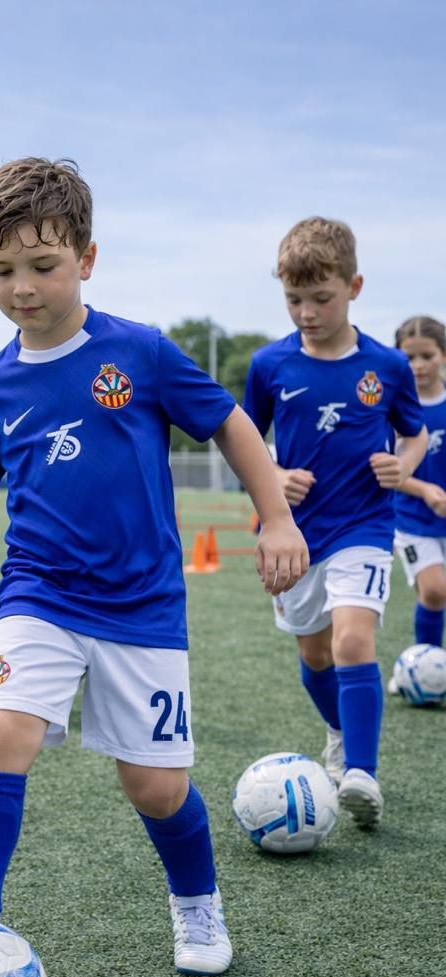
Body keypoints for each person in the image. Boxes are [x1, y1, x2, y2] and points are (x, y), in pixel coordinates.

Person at [0, 157, 308, 977]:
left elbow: (232, 424)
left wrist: (275, 516)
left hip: (143, 606)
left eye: (43, 265)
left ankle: (196, 903)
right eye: (1, 270)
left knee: (155, 789)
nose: (22, 287)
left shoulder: (141, 351)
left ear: (87, 258)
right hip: (39, 594)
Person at [243, 218, 428, 828]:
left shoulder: (388, 365)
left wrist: (403, 466)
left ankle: (363, 774)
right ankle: (341, 734)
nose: (306, 313)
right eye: (293, 299)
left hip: (364, 526)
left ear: (354, 287)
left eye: (320, 299)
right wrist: (274, 476)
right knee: (316, 654)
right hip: (296, 534)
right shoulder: (269, 364)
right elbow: (246, 440)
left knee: (352, 640)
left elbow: (414, 433)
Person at [391, 316, 446, 663]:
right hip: (412, 519)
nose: (418, 365)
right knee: (435, 590)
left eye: (427, 356)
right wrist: (425, 490)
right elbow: (387, 471)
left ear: (444, 354)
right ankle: (427, 668)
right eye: (409, 357)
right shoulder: (392, 408)